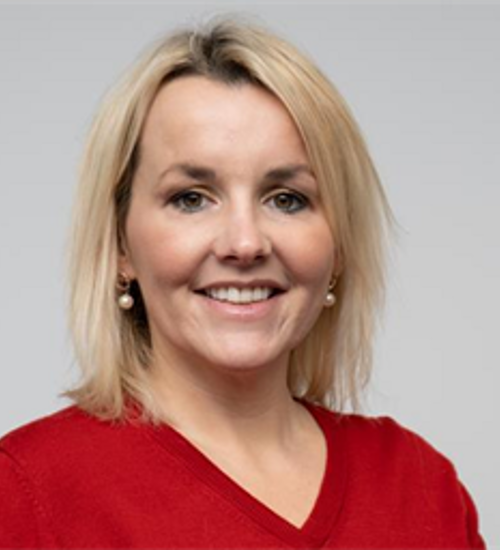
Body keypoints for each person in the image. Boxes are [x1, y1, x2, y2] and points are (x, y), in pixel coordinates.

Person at [0, 18, 486, 549]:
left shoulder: (419, 485)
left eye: (287, 198)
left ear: (338, 247)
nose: (245, 243)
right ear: (121, 245)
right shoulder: (27, 491)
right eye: (191, 197)